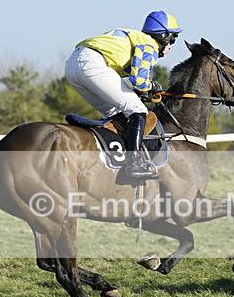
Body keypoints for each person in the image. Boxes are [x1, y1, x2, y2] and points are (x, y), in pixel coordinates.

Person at [65, 10, 182, 180]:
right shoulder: (149, 44)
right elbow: (139, 81)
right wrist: (151, 87)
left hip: (73, 66)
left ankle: (109, 158)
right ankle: (133, 163)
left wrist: (143, 91)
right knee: (138, 110)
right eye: (173, 39)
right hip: (92, 63)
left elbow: (125, 82)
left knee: (116, 112)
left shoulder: (134, 38)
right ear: (164, 36)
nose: (171, 46)